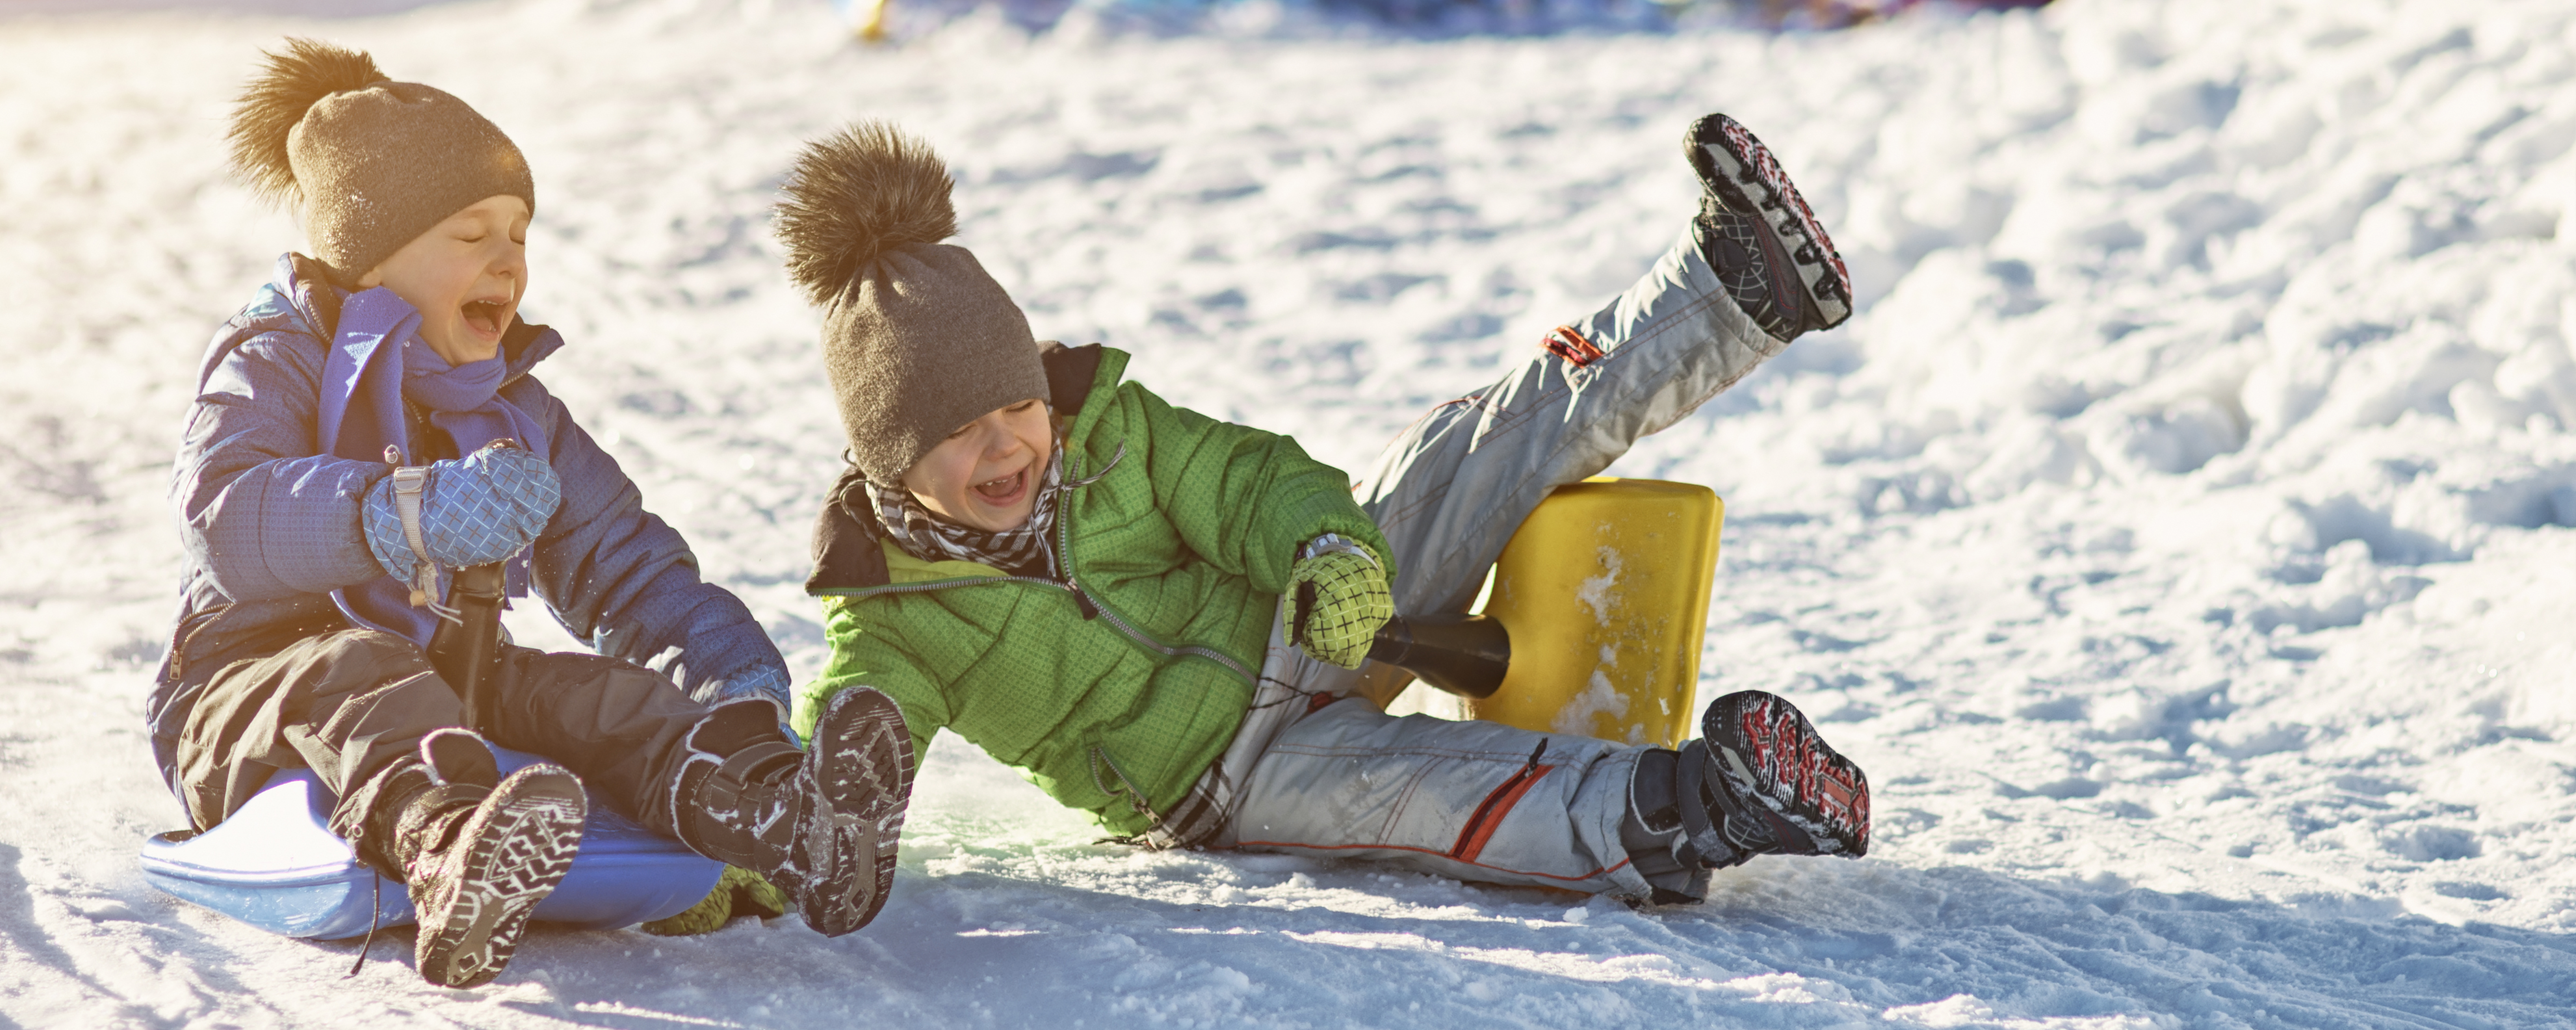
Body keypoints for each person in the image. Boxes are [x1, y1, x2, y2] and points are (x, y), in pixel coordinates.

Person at [779, 115, 1870, 907]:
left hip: (1301, 615)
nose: (1010, 440)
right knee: (1425, 796)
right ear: (893, 457)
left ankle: (1728, 291)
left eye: (1018, 402)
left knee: (1465, 446)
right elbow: (847, 745)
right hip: (1227, 783)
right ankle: (1694, 806)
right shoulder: (893, 617)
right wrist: (775, 838)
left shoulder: (1112, 430)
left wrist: (1330, 548)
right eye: (963, 431)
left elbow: (1251, 481)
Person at [149, 39, 914, 987]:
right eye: (471, 236)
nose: (508, 261)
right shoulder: (275, 357)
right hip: (249, 700)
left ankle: (768, 811)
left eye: (519, 235)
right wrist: (404, 518)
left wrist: (738, 693)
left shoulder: (508, 411)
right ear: (371, 255)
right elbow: (222, 521)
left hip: (448, 681)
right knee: (360, 669)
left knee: (597, 698)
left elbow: (627, 568)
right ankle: (447, 846)